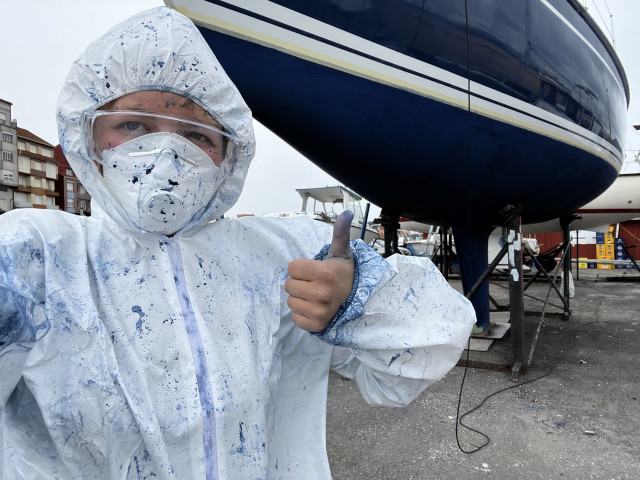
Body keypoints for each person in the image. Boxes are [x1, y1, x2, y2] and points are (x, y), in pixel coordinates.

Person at [0, 7, 475, 479]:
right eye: (134, 125)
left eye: (195, 133)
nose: (167, 152)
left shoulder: (285, 255)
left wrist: (356, 299)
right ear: (88, 135)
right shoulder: (35, 256)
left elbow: (420, 354)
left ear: (228, 152)